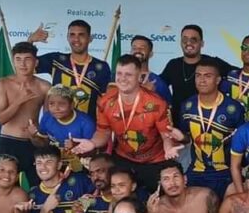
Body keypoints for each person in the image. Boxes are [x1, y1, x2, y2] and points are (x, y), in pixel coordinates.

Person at [72, 54, 180, 194]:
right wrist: (92, 143)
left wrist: (169, 148)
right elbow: (103, 133)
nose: (122, 79)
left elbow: (166, 136)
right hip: (124, 159)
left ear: (139, 77)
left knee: (157, 203)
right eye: (119, 74)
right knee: (119, 198)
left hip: (154, 161)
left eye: (128, 74)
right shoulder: (105, 101)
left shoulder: (156, 103)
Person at [175, 57, 245, 198]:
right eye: (198, 76)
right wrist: (182, 137)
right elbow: (188, 138)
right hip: (196, 172)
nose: (202, 80)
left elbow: (242, 142)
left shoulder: (233, 108)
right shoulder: (187, 106)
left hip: (225, 173)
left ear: (218, 80)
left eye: (208, 76)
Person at [27, 20, 112, 118]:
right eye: (72, 35)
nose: (76, 39)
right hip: (58, 127)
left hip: (88, 129)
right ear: (67, 37)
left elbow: (105, 101)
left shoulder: (101, 67)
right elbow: (26, 65)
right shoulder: (56, 60)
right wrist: (30, 41)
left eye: (81, 35)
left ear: (90, 38)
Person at [0, 41, 50, 187]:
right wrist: (19, 100)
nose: (22, 64)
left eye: (27, 59)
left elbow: (49, 121)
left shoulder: (44, 87)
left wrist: (39, 137)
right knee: (7, 189)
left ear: (36, 62)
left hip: (33, 143)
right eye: (18, 59)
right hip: (8, 142)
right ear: (13, 61)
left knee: (38, 188)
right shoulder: (3, 83)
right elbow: (1, 119)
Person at [160, 24, 236, 119]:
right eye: (185, 39)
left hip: (211, 122)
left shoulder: (213, 63)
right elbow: (158, 86)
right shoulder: (173, 64)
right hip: (179, 123)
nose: (188, 43)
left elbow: (240, 75)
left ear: (202, 43)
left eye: (193, 40)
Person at [28, 84, 95, 172]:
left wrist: (75, 147)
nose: (56, 108)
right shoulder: (47, 118)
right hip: (54, 167)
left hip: (79, 169)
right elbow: (43, 145)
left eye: (62, 104)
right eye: (51, 104)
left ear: (72, 105)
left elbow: (93, 152)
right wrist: (34, 136)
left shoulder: (86, 123)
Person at [130, 35, 171, 104]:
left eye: (142, 48)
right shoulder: (121, 77)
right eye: (134, 48)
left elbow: (167, 109)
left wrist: (152, 94)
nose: (137, 50)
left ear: (151, 54)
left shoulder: (158, 82)